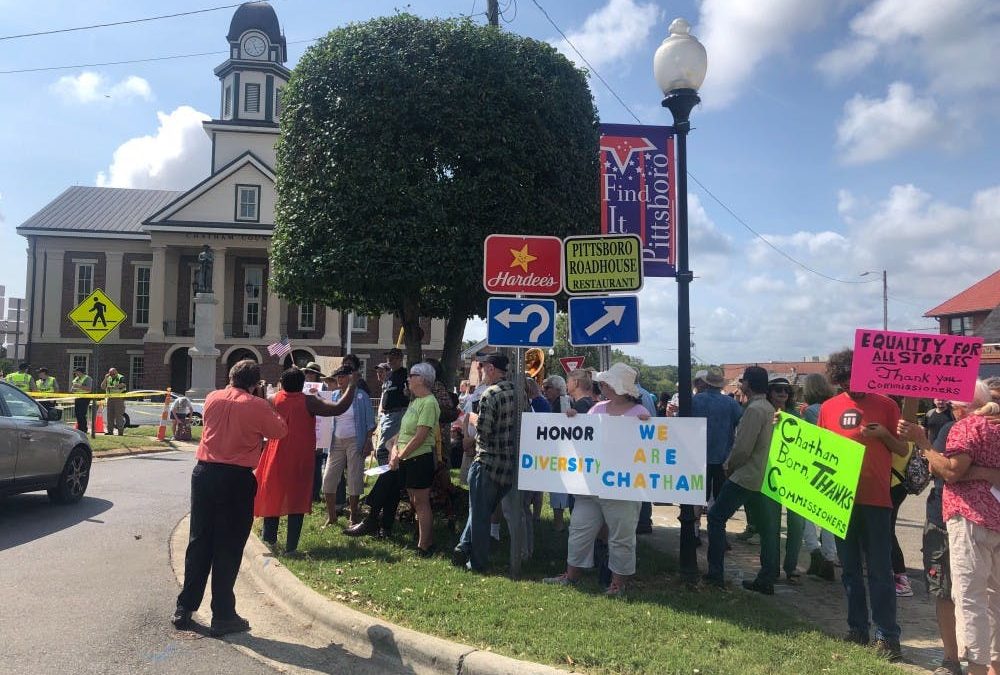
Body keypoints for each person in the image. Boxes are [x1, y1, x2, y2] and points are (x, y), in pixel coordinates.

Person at [173, 360, 288, 637]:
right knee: (228, 545)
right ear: (255, 383)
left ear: (230, 377)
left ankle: (185, 606)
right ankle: (223, 614)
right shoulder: (256, 405)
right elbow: (279, 431)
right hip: (236, 478)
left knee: (199, 541)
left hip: (204, 473)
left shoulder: (213, 397)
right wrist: (265, 402)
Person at [898, 395, 1000, 675]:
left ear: (963, 405)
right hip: (990, 519)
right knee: (990, 598)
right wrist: (986, 473)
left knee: (968, 598)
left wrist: (923, 443)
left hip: (967, 519)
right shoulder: (983, 426)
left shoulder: (967, 427)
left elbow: (950, 471)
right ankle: (984, 665)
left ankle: (975, 668)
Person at [817, 349, 907, 661]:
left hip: (876, 499)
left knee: (880, 571)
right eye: (841, 383)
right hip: (840, 500)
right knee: (850, 570)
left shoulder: (886, 404)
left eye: (851, 380)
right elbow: (818, 449)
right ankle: (857, 629)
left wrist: (883, 434)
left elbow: (902, 448)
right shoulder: (828, 408)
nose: (848, 388)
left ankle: (887, 636)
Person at [543, 362, 651, 596]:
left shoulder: (639, 414)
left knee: (621, 536)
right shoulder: (597, 408)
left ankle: (617, 584)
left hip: (623, 486)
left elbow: (649, 445)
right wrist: (574, 419)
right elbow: (585, 439)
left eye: (608, 383)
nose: (603, 386)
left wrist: (647, 426)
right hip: (592, 484)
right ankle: (571, 576)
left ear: (621, 387)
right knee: (579, 529)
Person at [256, 366, 356, 554]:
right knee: (297, 499)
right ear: (302, 384)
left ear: (282, 384)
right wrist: (352, 386)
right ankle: (291, 547)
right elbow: (339, 408)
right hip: (300, 458)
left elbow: (262, 401)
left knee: (273, 495)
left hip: (275, 456)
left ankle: (269, 539)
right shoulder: (309, 401)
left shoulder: (274, 399)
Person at [704, 366, 778, 594]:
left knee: (716, 517)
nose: (740, 384)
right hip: (761, 476)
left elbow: (743, 447)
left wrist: (729, 466)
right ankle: (767, 576)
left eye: (742, 381)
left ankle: (715, 573)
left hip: (745, 474)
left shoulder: (754, 409)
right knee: (767, 528)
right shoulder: (767, 408)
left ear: (749, 384)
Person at [453, 353, 520, 573]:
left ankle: (478, 562)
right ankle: (463, 547)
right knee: (482, 510)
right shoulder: (519, 393)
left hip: (487, 461)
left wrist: (472, 419)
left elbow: (484, 431)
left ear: (491, 369)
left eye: (482, 369)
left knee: (480, 515)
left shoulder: (490, 394)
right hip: (509, 465)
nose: (481, 373)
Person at [389, 362, 440, 556]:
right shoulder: (415, 401)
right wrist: (395, 449)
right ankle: (425, 538)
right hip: (408, 458)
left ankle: (424, 545)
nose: (408, 379)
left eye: (412, 375)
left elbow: (420, 436)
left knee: (421, 501)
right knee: (413, 499)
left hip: (419, 458)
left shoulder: (429, 402)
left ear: (422, 379)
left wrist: (400, 456)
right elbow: (403, 432)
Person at [690, 367, 742, 544]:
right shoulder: (731, 403)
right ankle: (719, 534)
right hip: (722, 458)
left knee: (697, 495)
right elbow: (740, 425)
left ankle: (694, 532)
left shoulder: (695, 401)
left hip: (698, 456)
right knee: (718, 498)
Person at [321, 365, 374, 527]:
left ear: (351, 378)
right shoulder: (334, 395)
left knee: (354, 477)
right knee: (329, 478)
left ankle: (353, 515)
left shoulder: (361, 396)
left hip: (355, 440)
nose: (339, 379)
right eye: (338, 376)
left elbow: (371, 422)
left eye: (343, 376)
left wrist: (367, 441)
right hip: (336, 442)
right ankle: (332, 516)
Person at [766, 377, 806, 585]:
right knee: (771, 525)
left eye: (786, 390)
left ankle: (791, 567)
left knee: (797, 525)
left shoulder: (797, 416)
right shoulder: (764, 413)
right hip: (770, 474)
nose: (783, 393)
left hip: (794, 475)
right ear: (770, 392)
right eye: (779, 390)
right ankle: (771, 568)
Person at [799, 372, 838, 581]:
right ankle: (830, 557)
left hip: (814, 466)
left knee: (805, 513)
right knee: (828, 516)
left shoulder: (812, 412)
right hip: (833, 467)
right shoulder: (834, 408)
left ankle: (814, 552)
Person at [376, 348, 409, 465]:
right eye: (388, 357)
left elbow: (409, 393)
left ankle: (386, 475)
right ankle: (391, 474)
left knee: (383, 449)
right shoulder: (389, 375)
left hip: (397, 414)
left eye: (393, 357)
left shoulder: (405, 374)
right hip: (386, 415)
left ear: (400, 359)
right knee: (390, 447)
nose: (390, 360)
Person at [101, 367, 127, 435]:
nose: (112, 375)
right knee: (110, 415)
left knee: (119, 415)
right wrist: (105, 378)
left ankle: (120, 432)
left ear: (116, 372)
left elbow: (123, 385)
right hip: (110, 399)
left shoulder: (121, 377)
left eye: (113, 373)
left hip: (119, 398)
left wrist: (112, 387)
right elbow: (102, 387)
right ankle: (110, 431)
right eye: (110, 374)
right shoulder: (108, 378)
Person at [70, 367, 93, 433]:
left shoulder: (87, 378)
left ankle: (84, 429)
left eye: (76, 372)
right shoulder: (76, 379)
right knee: (77, 414)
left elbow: (89, 389)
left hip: (84, 398)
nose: (75, 373)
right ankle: (80, 429)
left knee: (82, 414)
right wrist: (73, 390)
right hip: (77, 397)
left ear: (80, 372)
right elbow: (72, 389)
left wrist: (79, 386)